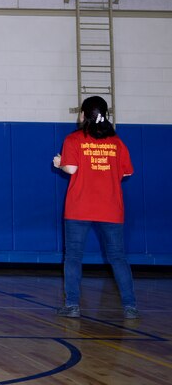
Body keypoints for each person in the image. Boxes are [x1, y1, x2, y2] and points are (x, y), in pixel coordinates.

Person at [52, 96, 138, 319]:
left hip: (79, 207)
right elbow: (127, 172)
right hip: (110, 207)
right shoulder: (116, 142)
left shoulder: (73, 139)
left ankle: (72, 305)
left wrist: (59, 163)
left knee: (73, 257)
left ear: (83, 115)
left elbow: (70, 169)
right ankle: (130, 306)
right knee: (118, 257)